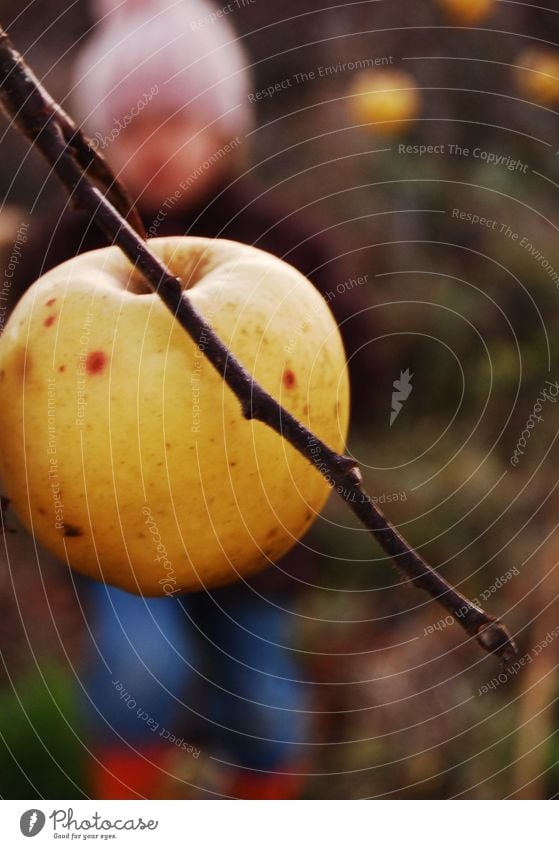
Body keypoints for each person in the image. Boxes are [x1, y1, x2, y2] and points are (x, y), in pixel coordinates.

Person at [13, 0, 357, 799]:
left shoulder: (282, 248)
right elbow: (19, 371)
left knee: (260, 704)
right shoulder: (66, 253)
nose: (156, 146)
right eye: (131, 127)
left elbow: (357, 362)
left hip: (253, 521)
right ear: (97, 138)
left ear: (223, 127)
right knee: (143, 670)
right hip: (119, 519)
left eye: (178, 121)